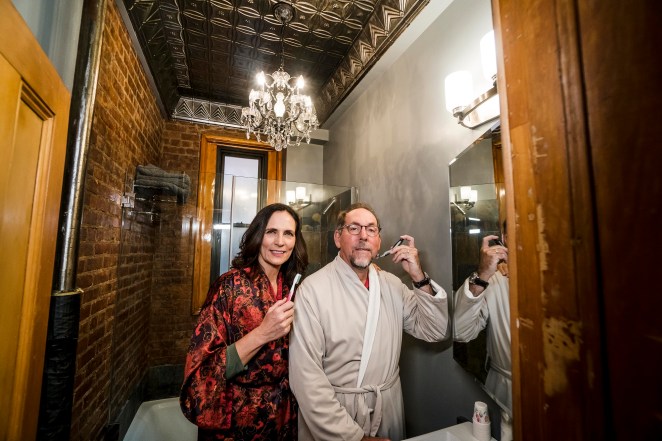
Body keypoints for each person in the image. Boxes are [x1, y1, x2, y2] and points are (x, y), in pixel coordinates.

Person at [289, 203, 449, 441]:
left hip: (388, 408)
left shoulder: (393, 285)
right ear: (337, 237)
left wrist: (418, 275)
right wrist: (356, 438)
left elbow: (435, 330)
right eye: (354, 228)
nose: (363, 236)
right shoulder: (312, 290)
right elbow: (306, 379)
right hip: (335, 418)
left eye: (371, 229)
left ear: (379, 241)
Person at [180, 203, 308, 441]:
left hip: (284, 420)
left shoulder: (292, 289)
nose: (280, 241)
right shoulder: (228, 287)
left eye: (288, 233)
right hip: (237, 424)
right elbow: (201, 374)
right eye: (272, 232)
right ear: (258, 236)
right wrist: (262, 333)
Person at [453, 222, 511, 418]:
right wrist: (484, 274)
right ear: (505, 237)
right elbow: (461, 332)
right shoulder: (493, 281)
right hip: (505, 389)